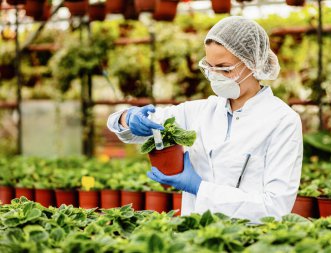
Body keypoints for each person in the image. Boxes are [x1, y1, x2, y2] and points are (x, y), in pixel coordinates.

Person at [107, 16, 303, 223]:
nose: (214, 75)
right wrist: (127, 118)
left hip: (248, 240)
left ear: (253, 64)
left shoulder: (282, 121)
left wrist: (200, 188)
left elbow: (275, 207)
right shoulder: (203, 110)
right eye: (210, 67)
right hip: (194, 236)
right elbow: (133, 127)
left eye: (224, 68)